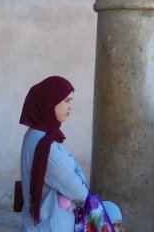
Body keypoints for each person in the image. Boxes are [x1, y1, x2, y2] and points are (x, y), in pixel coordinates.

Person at [19, 76, 122, 232]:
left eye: (71, 101)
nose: (70, 107)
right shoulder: (46, 146)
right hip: (51, 225)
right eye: (66, 101)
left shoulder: (37, 135)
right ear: (50, 102)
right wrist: (76, 171)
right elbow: (79, 191)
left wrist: (73, 171)